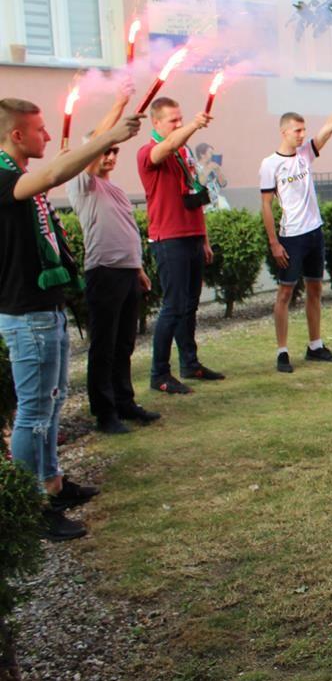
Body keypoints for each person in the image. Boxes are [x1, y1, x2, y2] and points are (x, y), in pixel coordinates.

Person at [1, 97, 142, 539]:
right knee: (34, 413)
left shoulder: (22, 174)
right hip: (26, 315)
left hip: (46, 308)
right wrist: (108, 137)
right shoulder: (5, 176)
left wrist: (113, 119)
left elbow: (60, 164)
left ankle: (53, 483)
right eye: (40, 130)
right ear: (17, 135)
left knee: (53, 404)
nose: (48, 136)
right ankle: (32, 506)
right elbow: (60, 171)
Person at [67, 83, 160, 435]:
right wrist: (120, 103)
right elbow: (96, 145)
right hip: (103, 273)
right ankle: (104, 413)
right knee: (103, 346)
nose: (109, 156)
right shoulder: (82, 183)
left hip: (125, 274)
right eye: (104, 150)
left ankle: (124, 402)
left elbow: (125, 230)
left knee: (124, 344)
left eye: (114, 151)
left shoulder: (115, 190)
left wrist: (137, 269)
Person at [260, 82, 332, 373]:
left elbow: (331, 126)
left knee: (315, 288)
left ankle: (315, 345)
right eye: (297, 131)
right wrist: (274, 243)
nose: (302, 135)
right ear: (284, 132)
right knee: (285, 293)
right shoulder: (270, 165)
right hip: (290, 237)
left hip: (314, 233)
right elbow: (266, 205)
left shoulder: (306, 153)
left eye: (304, 130)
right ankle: (282, 352)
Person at [137, 96, 222, 394]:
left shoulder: (183, 153)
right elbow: (167, 147)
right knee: (172, 307)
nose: (178, 124)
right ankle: (159, 373)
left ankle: (190, 363)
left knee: (189, 306)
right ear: (156, 123)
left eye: (180, 118)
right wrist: (193, 126)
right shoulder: (149, 152)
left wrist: (204, 238)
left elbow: (194, 195)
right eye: (173, 120)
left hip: (192, 237)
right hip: (168, 239)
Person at [195, 143, 230, 210]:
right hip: (204, 204)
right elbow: (200, 184)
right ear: (202, 155)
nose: (212, 156)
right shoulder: (195, 168)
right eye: (210, 153)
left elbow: (223, 184)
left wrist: (218, 171)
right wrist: (208, 169)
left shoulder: (213, 167)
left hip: (218, 202)